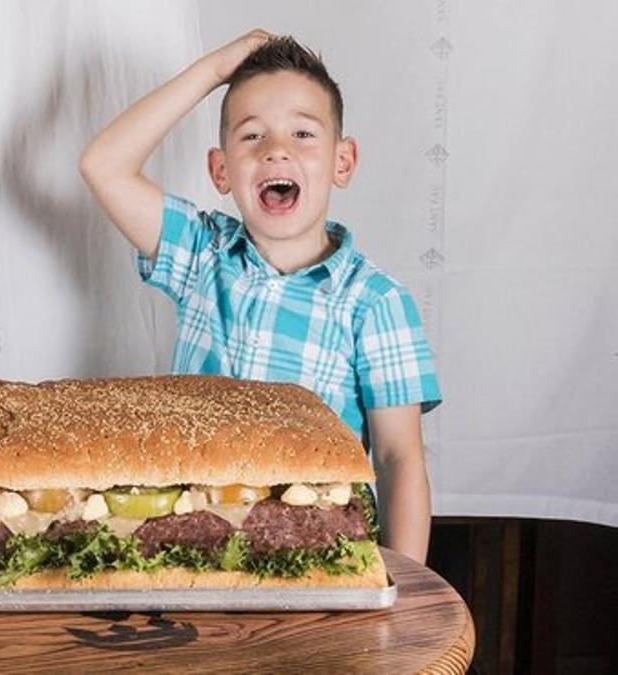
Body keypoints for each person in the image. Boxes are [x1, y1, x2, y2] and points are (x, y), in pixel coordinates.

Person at [79, 32, 441, 562]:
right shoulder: (203, 254)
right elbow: (103, 165)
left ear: (343, 162)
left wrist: (403, 585)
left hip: (312, 552)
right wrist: (212, 71)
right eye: (252, 137)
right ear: (220, 171)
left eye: (302, 133)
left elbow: (397, 457)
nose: (276, 149)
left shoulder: (375, 303)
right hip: (189, 546)